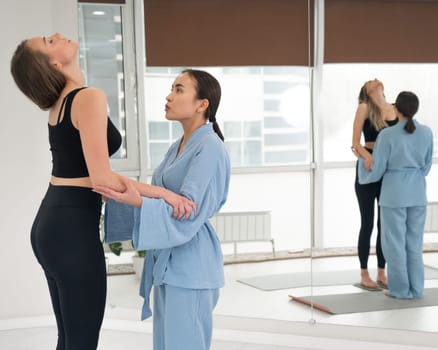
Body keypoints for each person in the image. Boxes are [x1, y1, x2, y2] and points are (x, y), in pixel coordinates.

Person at [10, 33, 194, 349]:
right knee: (80, 341)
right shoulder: (87, 97)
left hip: (53, 225)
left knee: (70, 338)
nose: (55, 36)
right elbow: (102, 179)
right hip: (71, 231)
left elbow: (89, 173)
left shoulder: (61, 104)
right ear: (54, 63)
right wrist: (165, 194)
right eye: (48, 41)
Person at [96, 69, 230, 350]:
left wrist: (137, 199)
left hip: (192, 266)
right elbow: (166, 198)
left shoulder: (210, 147)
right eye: (171, 88)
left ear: (202, 104)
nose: (169, 96)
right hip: (168, 265)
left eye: (179, 89)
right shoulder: (177, 146)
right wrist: (121, 195)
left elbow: (187, 209)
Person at [358, 91, 433, 299]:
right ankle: (416, 289)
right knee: (414, 244)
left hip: (394, 195)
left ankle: (400, 290)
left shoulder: (387, 135)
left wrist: (363, 164)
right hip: (417, 194)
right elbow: (426, 168)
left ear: (396, 109)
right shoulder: (427, 133)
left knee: (394, 245)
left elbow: (378, 169)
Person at [351, 79, 398, 291]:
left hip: (388, 169)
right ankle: (363, 273)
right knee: (368, 222)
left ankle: (381, 271)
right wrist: (366, 157)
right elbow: (355, 143)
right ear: (367, 92)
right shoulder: (364, 108)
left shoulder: (395, 108)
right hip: (369, 168)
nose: (374, 79)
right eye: (369, 82)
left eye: (377, 80)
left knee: (384, 224)